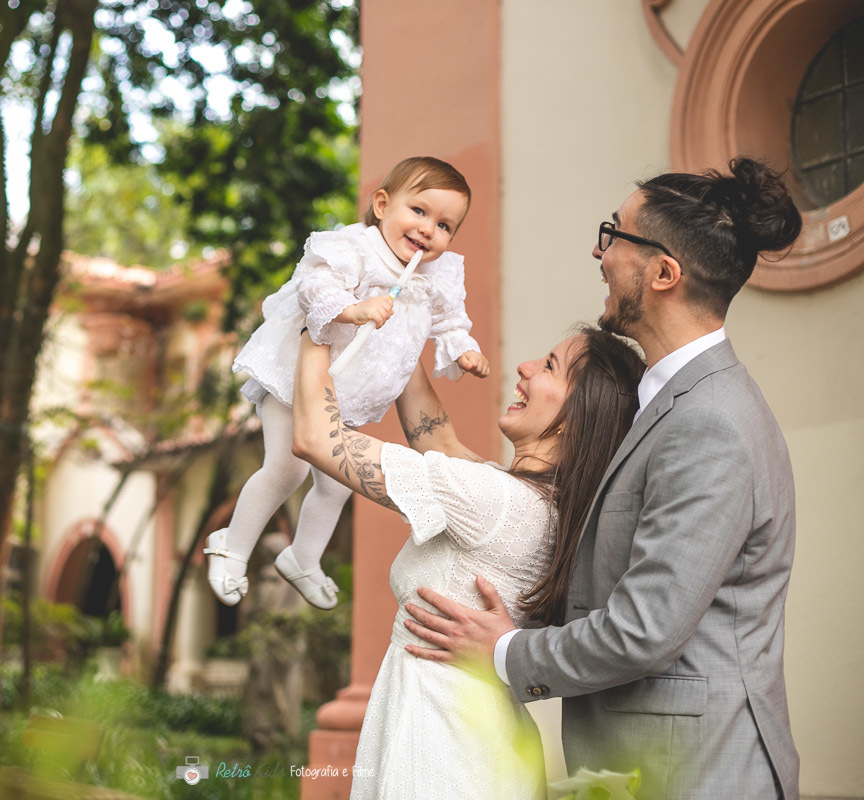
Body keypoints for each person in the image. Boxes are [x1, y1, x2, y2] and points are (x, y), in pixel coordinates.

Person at [403, 158, 803, 800]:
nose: (600, 251)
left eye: (615, 234)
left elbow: (644, 629)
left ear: (664, 273)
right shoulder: (668, 404)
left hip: (696, 773)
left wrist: (506, 652)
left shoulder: (712, 422)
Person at [289, 323, 645, 799]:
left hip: (439, 740)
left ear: (576, 417)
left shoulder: (491, 499)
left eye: (549, 366)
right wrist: (406, 321)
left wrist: (319, 317)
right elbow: (440, 445)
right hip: (477, 734)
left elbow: (316, 438)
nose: (525, 368)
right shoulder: (543, 504)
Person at [206, 156, 490, 610]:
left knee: (338, 483)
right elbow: (314, 287)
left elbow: (449, 319)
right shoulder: (354, 248)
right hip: (296, 379)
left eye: (444, 225)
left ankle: (302, 557)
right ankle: (232, 546)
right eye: (418, 211)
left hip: (346, 396)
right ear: (382, 205)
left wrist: (462, 349)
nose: (428, 230)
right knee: (287, 469)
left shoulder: (435, 275)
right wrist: (352, 309)